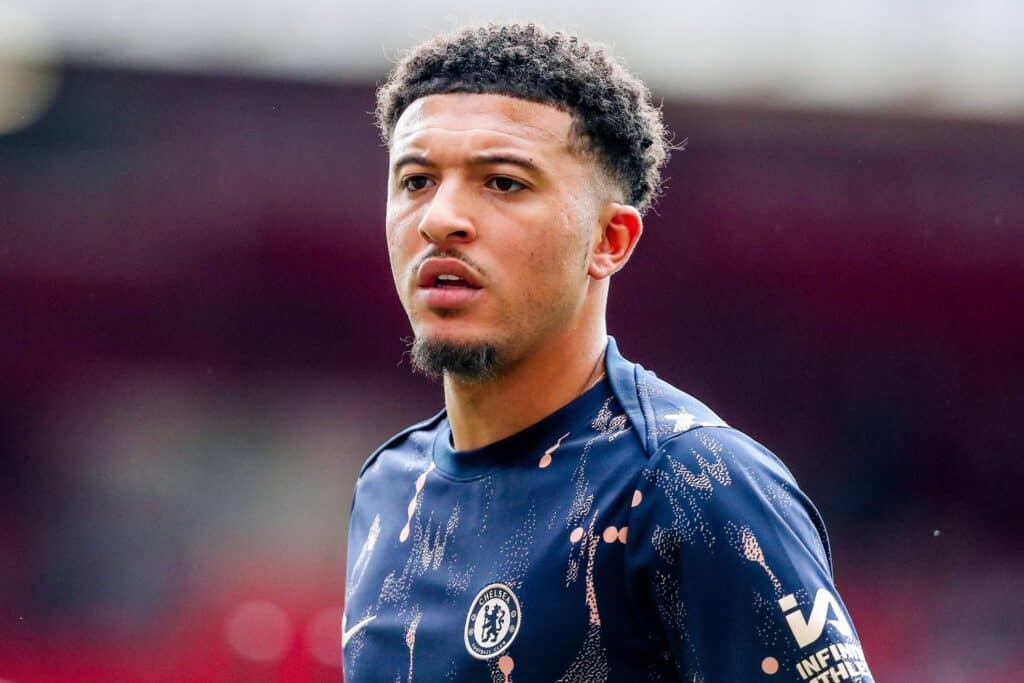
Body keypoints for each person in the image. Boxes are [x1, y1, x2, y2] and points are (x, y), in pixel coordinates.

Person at [343, 22, 873, 683]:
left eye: (503, 183)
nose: (439, 218)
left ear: (610, 241)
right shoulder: (391, 486)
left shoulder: (691, 486)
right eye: (417, 180)